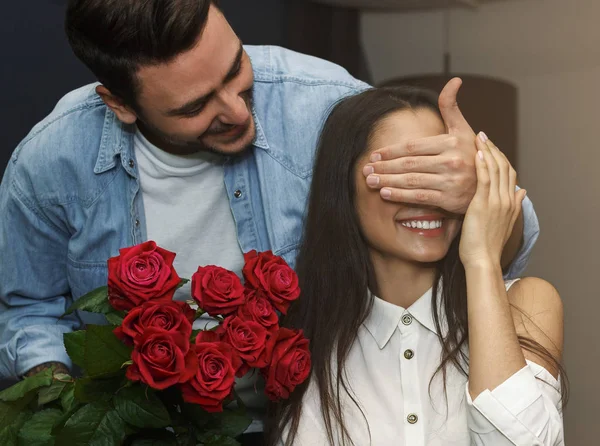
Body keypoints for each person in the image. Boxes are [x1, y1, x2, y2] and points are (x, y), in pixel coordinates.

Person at [0, 0, 538, 442]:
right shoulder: (52, 162)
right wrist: (64, 400)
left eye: (236, 69)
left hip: (304, 423)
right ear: (119, 104)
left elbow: (516, 234)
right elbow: (30, 308)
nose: (237, 110)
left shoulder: (323, 102)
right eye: (195, 107)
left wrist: (471, 191)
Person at [269, 87, 565, 445]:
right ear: (344, 188)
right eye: (404, 175)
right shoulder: (303, 331)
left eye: (443, 174)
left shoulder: (526, 302)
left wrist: (483, 260)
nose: (427, 197)